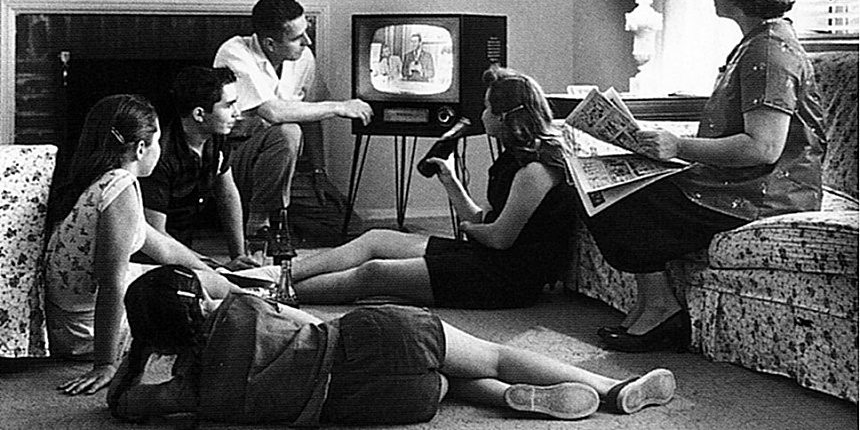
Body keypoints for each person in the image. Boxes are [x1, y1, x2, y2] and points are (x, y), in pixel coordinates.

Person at [586, 0, 825, 352]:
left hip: (764, 195)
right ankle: (651, 305)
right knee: (606, 189)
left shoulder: (769, 52)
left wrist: (677, 147)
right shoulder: (757, 43)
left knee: (619, 199)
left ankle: (661, 310)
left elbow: (762, 148)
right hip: (736, 184)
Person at [107, 265, 677, 425]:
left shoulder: (191, 393)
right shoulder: (240, 307)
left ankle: (507, 400)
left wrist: (136, 356)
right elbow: (300, 315)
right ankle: (610, 387)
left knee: (446, 385)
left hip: (379, 407)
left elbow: (124, 406)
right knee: (492, 351)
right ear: (201, 302)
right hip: (376, 341)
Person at [241, 66, 579, 309]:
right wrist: (450, 181)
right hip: (486, 256)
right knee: (376, 239)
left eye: (489, 108)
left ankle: (274, 294)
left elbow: (499, 238)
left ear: (506, 118)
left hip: (506, 279)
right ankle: (271, 275)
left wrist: (465, 227)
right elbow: (483, 219)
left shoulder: (535, 170)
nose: (483, 114)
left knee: (374, 273)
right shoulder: (513, 160)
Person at [43, 94, 241, 396]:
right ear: (139, 149)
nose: (160, 150)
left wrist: (217, 273)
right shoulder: (120, 187)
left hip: (69, 317)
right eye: (157, 141)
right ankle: (262, 302)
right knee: (201, 302)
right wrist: (106, 364)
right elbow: (112, 283)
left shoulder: (99, 179)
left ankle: (253, 291)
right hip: (84, 329)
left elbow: (161, 246)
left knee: (210, 282)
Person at [213, 0, 373, 238]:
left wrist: (319, 171)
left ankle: (275, 212)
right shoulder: (234, 53)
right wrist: (339, 107)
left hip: (282, 169)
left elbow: (311, 114)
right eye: (298, 37)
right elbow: (272, 112)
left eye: (306, 31)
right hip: (234, 163)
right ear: (269, 43)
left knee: (349, 228)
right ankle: (259, 221)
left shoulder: (303, 56)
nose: (307, 41)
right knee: (288, 130)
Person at [139, 66, 254, 268]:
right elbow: (157, 237)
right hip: (152, 260)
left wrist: (239, 256)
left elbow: (228, 195)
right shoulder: (160, 156)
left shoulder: (216, 139)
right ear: (199, 114)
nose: (237, 114)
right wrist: (214, 267)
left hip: (185, 252)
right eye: (229, 106)